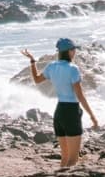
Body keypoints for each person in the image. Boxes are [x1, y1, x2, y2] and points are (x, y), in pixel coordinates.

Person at [22, 38, 99, 168]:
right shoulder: (73, 69)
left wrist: (32, 61)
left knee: (65, 158)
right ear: (69, 51)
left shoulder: (52, 66)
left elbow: (36, 80)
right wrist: (93, 116)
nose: (75, 52)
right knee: (73, 159)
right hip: (71, 112)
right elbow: (80, 95)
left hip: (59, 112)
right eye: (74, 49)